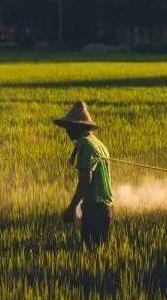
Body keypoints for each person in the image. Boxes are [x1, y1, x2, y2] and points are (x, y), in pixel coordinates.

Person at [53, 101, 114, 248]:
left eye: (70, 127)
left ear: (78, 127)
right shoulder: (98, 143)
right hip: (106, 208)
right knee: (99, 253)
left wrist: (72, 207)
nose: (67, 131)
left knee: (91, 252)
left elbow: (86, 179)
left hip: (96, 210)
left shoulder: (85, 145)